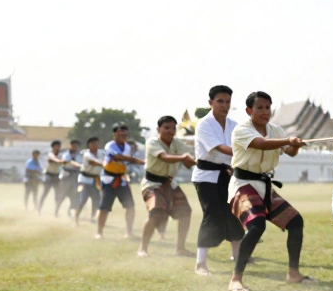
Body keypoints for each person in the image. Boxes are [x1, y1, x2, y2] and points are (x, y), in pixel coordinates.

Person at [227, 91, 313, 291]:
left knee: (295, 221)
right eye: (260, 107)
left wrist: (296, 145)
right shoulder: (241, 130)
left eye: (268, 107)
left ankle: (293, 274)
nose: (265, 111)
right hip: (243, 185)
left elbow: (289, 152)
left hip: (264, 186)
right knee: (256, 226)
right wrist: (287, 140)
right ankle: (235, 279)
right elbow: (261, 144)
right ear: (249, 110)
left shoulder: (276, 130)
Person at [192, 85, 244, 276]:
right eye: (220, 101)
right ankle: (200, 264)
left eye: (227, 101)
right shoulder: (204, 124)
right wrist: (250, 149)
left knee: (234, 214)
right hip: (206, 177)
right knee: (212, 216)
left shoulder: (234, 125)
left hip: (228, 176)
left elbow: (245, 142)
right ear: (210, 103)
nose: (224, 105)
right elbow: (222, 148)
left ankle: (239, 259)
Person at [138, 116, 196, 257]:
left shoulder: (177, 143)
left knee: (185, 212)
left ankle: (180, 248)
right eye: (166, 128)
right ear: (159, 129)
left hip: (170, 183)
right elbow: (164, 157)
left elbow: (189, 159)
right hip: (152, 184)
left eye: (173, 128)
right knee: (156, 212)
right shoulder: (152, 142)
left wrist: (197, 161)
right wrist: (184, 158)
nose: (170, 131)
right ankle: (142, 248)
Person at [96, 124, 144, 240]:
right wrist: (136, 160)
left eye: (125, 134)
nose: (124, 136)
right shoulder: (110, 146)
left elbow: (126, 162)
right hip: (109, 180)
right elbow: (117, 157)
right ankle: (99, 232)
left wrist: (139, 162)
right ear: (115, 134)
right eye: (121, 133)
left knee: (130, 206)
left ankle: (129, 232)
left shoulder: (127, 147)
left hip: (122, 179)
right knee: (104, 207)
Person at [75, 137, 104, 225]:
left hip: (95, 180)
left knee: (96, 200)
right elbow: (93, 161)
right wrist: (105, 163)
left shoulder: (101, 153)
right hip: (84, 179)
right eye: (93, 144)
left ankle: (93, 217)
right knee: (82, 200)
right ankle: (76, 217)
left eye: (96, 143)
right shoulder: (87, 154)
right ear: (89, 145)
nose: (95, 145)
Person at [37, 141, 69, 215]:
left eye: (58, 146)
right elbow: (55, 159)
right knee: (45, 193)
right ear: (53, 147)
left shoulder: (61, 155)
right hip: (49, 176)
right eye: (56, 146)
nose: (57, 148)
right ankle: (39, 209)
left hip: (56, 176)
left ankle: (56, 212)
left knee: (57, 195)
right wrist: (61, 161)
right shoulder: (50, 154)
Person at [61, 139, 84, 218]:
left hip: (75, 177)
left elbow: (80, 164)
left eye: (77, 146)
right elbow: (67, 163)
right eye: (74, 145)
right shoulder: (65, 155)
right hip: (66, 177)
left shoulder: (80, 155)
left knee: (74, 195)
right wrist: (76, 165)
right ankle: (57, 211)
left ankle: (70, 212)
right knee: (63, 195)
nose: (75, 147)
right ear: (70, 146)